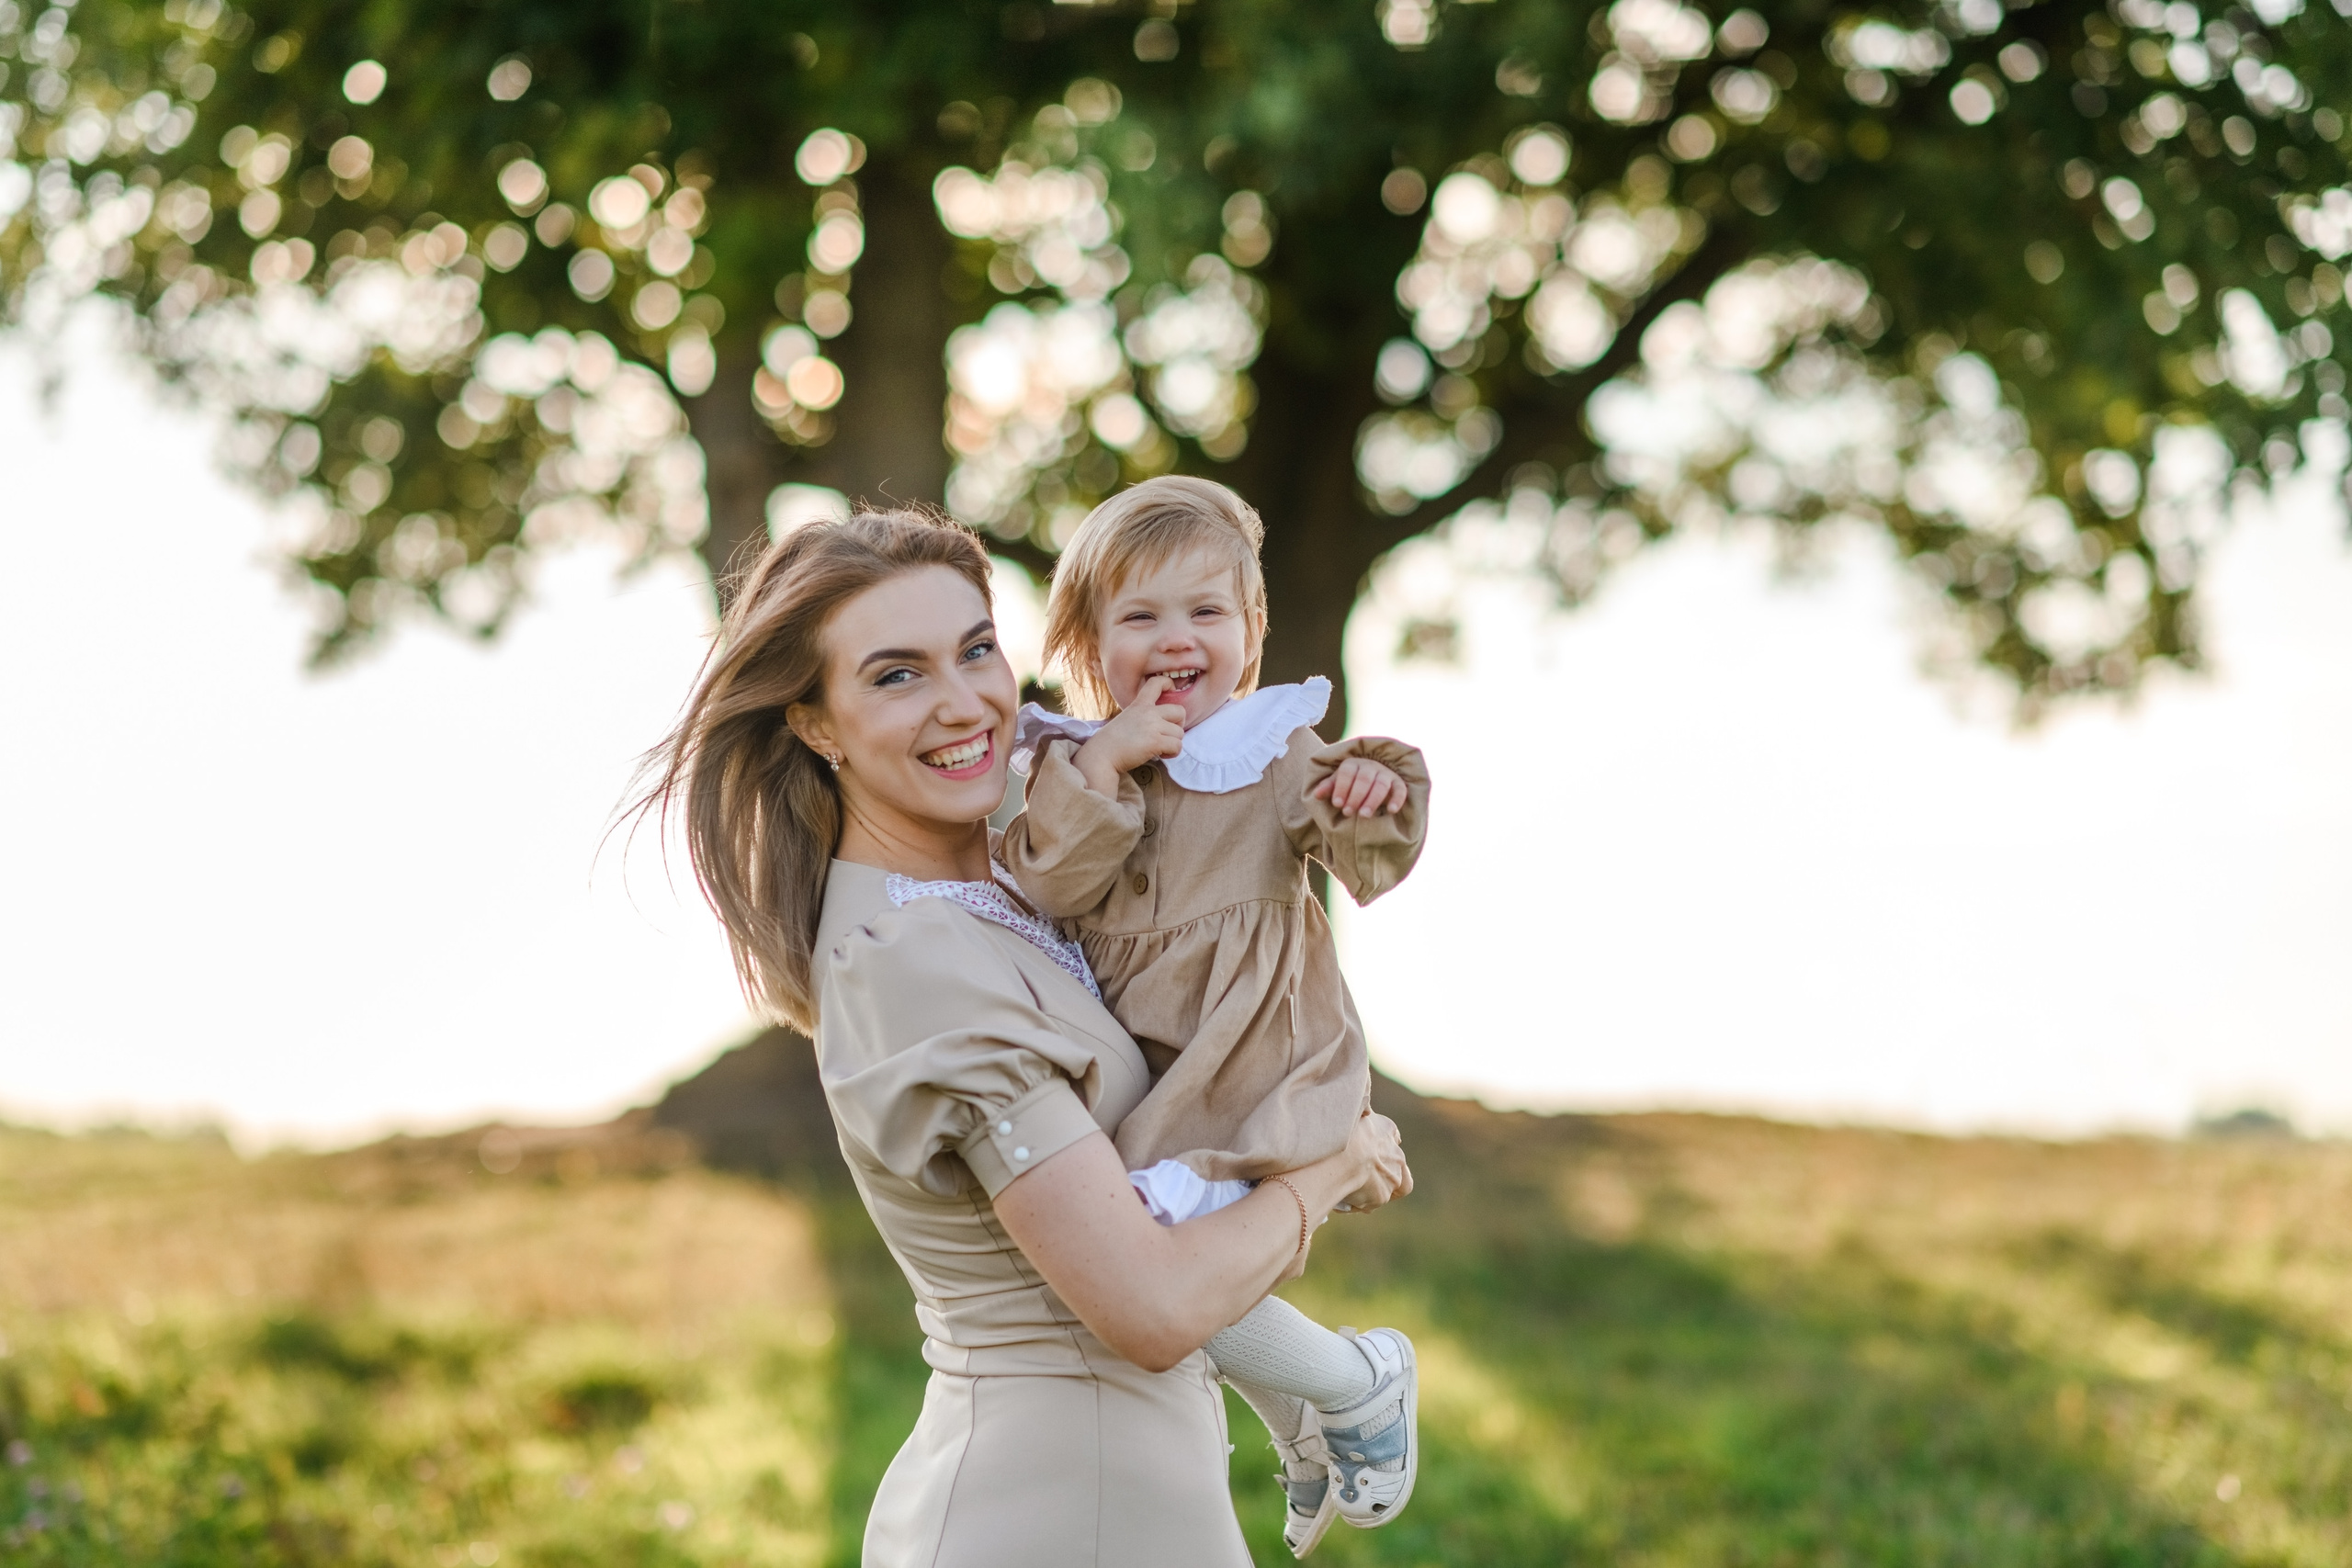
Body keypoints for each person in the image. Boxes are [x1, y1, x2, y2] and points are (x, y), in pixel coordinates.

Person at [635, 506, 1411, 1568]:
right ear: (815, 725)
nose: (964, 702)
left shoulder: (1011, 870)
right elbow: (1149, 1306)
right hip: (1059, 1516)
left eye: (976, 650)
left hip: (1122, 1502)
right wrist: (1333, 1165)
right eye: (896, 675)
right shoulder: (911, 959)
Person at [1001, 476, 1431, 1557]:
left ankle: (1356, 1382)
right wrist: (1106, 760)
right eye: (1139, 616)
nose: (1175, 638)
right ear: (1091, 644)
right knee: (1140, 1265)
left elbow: (1357, 847)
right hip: (1148, 1065)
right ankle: (1302, 1424)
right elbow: (1049, 886)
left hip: (1245, 1057)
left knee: (1156, 1254)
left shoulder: (1267, 745)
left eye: (1205, 611)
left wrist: (1369, 797)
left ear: (1250, 628)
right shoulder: (1074, 763)